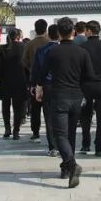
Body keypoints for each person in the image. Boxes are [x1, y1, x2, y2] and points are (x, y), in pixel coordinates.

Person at [37, 17, 98, 188]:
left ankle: (71, 165)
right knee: (70, 134)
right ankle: (67, 169)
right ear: (73, 32)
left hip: (59, 97)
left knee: (60, 135)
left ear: (58, 33)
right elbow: (90, 76)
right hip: (76, 97)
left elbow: (42, 74)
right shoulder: (82, 52)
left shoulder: (52, 52)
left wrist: (39, 88)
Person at [80, 20, 101, 156]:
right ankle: (99, 147)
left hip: (86, 85)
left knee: (85, 116)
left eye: (86, 30)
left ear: (89, 31)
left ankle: (85, 144)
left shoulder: (82, 47)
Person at [31, 26, 61, 157]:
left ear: (48, 35)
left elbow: (37, 69)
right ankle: (63, 144)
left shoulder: (42, 50)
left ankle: (52, 146)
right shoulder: (63, 49)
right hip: (63, 85)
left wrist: (36, 85)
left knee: (48, 117)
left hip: (47, 85)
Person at [0, 27, 28, 140]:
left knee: (5, 106)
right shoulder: (24, 47)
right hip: (20, 80)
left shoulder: (3, 48)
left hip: (5, 81)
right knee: (18, 107)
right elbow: (27, 66)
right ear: (18, 36)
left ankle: (7, 129)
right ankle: (16, 131)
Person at [22, 19, 51, 142]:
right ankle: (50, 133)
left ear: (35, 29)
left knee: (35, 108)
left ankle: (35, 132)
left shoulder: (30, 44)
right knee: (49, 108)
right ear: (46, 29)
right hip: (49, 80)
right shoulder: (50, 43)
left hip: (34, 78)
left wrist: (31, 68)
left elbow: (24, 61)